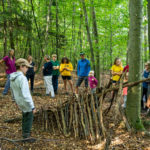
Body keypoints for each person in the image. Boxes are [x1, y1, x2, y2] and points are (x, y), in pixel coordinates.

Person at [10, 58, 36, 141]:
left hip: (19, 101)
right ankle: (26, 136)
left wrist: (14, 100)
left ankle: (24, 133)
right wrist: (32, 106)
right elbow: (26, 94)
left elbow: (12, 90)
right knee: (29, 117)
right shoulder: (22, 78)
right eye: (26, 67)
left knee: (25, 116)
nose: (27, 69)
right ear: (21, 67)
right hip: (25, 102)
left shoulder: (12, 77)